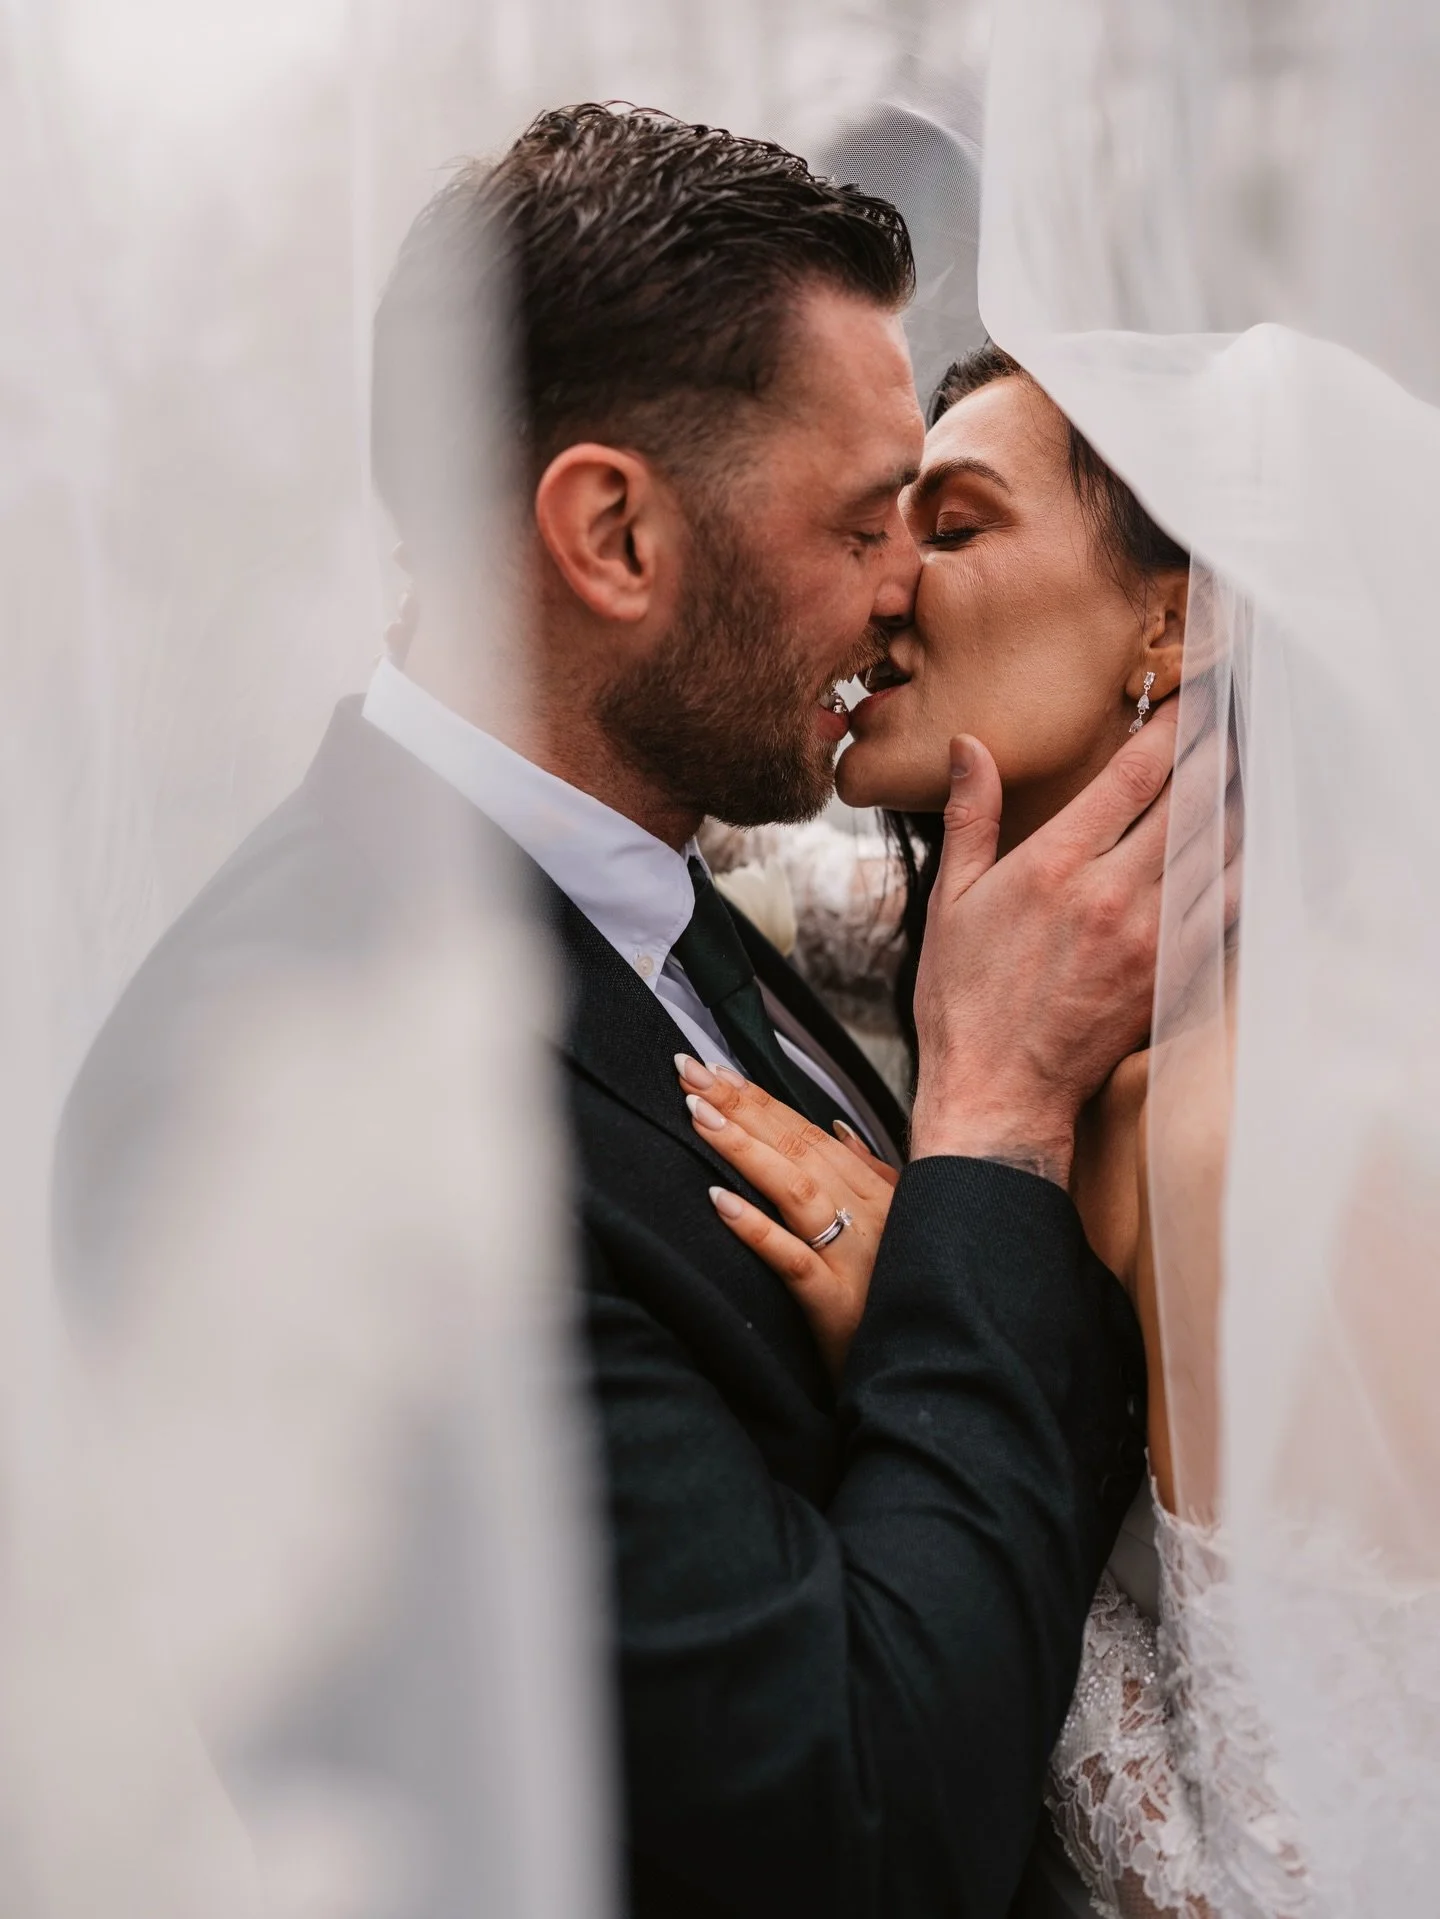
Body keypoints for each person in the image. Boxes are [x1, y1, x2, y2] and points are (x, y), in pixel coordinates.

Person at [53, 108, 1181, 1917]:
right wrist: (987, 1135)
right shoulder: (288, 1077)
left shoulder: (658, 891)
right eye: (861, 520)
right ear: (615, 534)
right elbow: (858, 1819)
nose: (905, 587)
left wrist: (929, 1274)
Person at [695, 344, 1302, 1918]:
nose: (885, 582)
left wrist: (935, 1319)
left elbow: (1283, 1885)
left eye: (952, 526)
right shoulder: (968, 942)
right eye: (878, 525)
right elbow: (753, 864)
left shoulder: (1238, 1130)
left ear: (1174, 622)